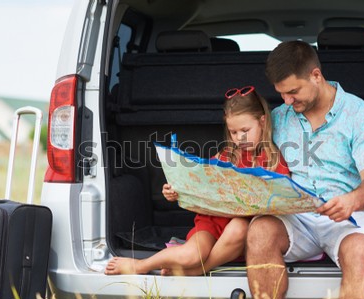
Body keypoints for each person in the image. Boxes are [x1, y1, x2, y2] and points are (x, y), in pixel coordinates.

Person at [246, 41, 364, 299]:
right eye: (282, 94)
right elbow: (244, 156)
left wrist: (351, 200)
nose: (287, 101)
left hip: (352, 215)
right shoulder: (279, 117)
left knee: (359, 251)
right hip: (297, 216)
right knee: (260, 231)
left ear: (316, 76)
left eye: (293, 92)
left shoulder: (360, 115)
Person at [105, 86, 290, 276]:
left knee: (238, 227)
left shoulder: (273, 160)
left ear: (262, 121)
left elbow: (285, 198)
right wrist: (175, 191)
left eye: (245, 130)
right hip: (212, 221)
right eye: (233, 132)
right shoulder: (227, 155)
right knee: (191, 256)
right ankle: (141, 265)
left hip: (244, 231)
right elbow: (198, 183)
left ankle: (199, 270)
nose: (239, 138)